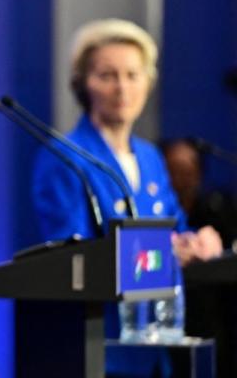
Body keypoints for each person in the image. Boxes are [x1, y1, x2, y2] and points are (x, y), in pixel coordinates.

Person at [32, 19, 222, 262]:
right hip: (104, 300)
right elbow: (73, 255)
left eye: (132, 75)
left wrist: (197, 241)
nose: (122, 87)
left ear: (148, 82)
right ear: (82, 84)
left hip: (159, 299)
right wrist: (163, 255)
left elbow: (175, 228)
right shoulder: (64, 156)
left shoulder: (149, 156)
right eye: (107, 76)